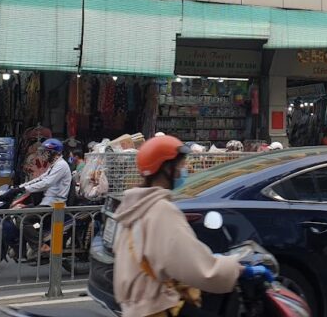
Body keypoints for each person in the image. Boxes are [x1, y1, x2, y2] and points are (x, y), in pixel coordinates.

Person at [112, 135, 271, 317]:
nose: (184, 170)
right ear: (166, 168)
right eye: (179, 165)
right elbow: (199, 269)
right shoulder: (161, 210)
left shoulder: (134, 208)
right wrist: (239, 270)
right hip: (158, 307)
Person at [20, 139, 73, 256]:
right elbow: (41, 178)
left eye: (46, 152)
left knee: (25, 220)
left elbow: (47, 183)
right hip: (47, 202)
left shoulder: (61, 165)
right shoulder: (54, 165)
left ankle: (40, 246)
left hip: (54, 204)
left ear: (54, 153)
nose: (43, 155)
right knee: (20, 211)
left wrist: (26, 189)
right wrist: (19, 187)